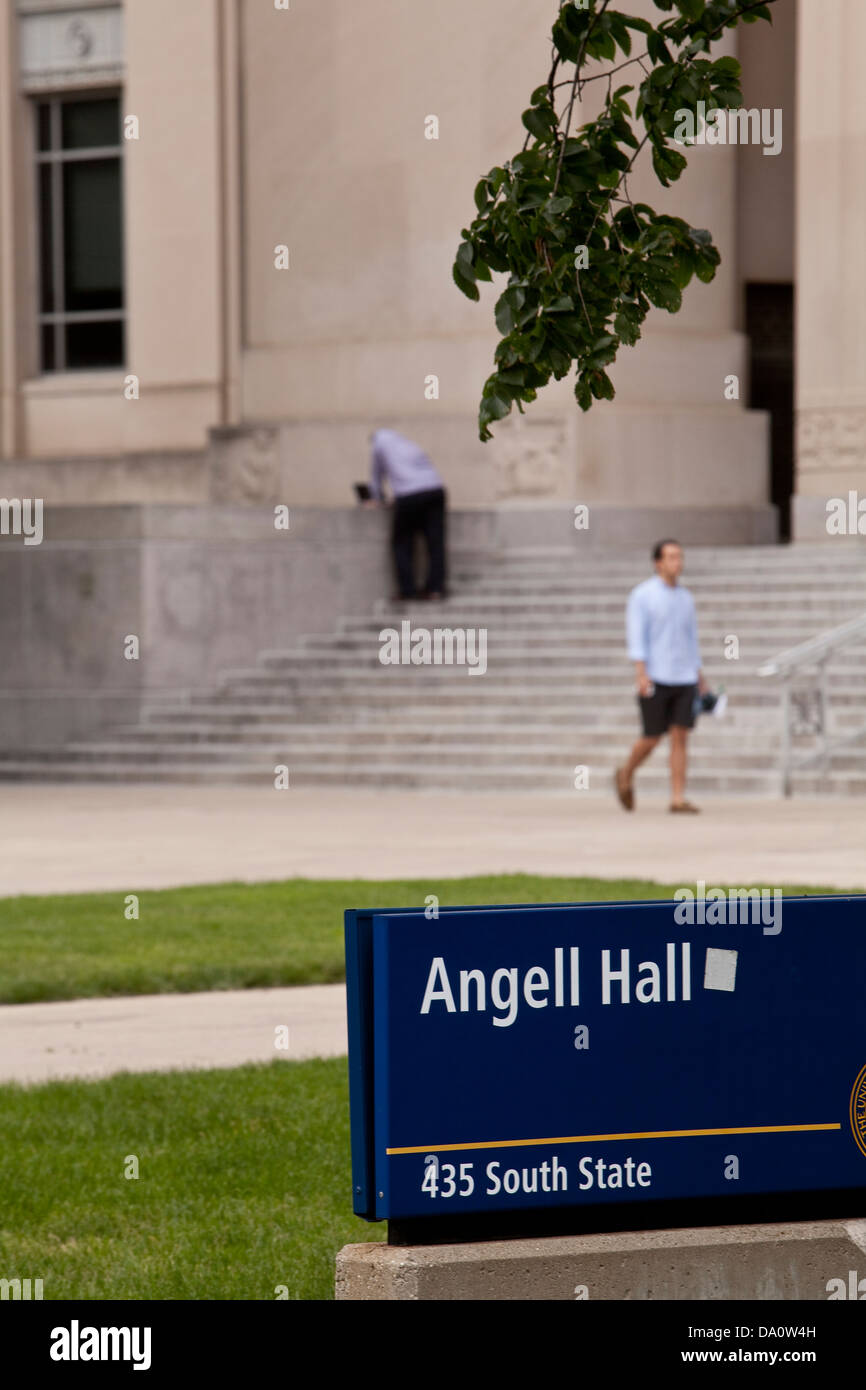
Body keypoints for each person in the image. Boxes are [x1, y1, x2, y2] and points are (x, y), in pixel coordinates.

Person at [614, 539, 708, 814]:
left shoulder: (685, 598)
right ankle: (626, 772)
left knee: (681, 736)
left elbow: (691, 639)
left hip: (684, 676)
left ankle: (677, 798)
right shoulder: (643, 595)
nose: (677, 562)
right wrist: (641, 673)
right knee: (652, 736)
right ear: (658, 562)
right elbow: (637, 635)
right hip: (656, 675)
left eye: (679, 556)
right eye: (671, 557)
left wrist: (699, 675)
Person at [367, 428, 447, 600]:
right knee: (435, 541)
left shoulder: (379, 444)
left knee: (402, 542)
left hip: (409, 494)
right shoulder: (406, 443)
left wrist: (376, 498)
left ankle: (408, 589)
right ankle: (436, 589)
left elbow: (376, 476)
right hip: (434, 489)